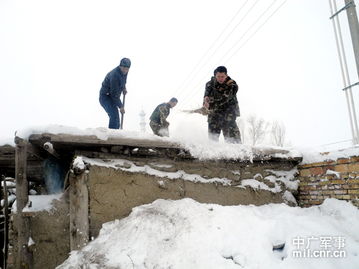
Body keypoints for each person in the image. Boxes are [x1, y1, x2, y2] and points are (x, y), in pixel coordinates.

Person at [203, 66, 241, 143]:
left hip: (228, 114)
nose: (220, 78)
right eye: (218, 76)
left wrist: (210, 102)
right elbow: (206, 95)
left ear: (226, 75)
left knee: (234, 142)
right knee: (212, 141)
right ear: (215, 76)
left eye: (222, 76)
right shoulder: (209, 84)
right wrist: (205, 102)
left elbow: (224, 99)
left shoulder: (232, 85)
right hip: (214, 115)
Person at [99, 58, 131, 129]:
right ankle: (112, 136)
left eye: (127, 69)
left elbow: (123, 80)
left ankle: (116, 134)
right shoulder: (114, 75)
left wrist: (123, 88)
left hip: (112, 97)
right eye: (123, 68)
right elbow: (114, 94)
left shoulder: (124, 72)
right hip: (105, 97)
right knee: (114, 116)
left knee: (116, 118)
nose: (125, 70)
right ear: (120, 66)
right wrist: (121, 106)